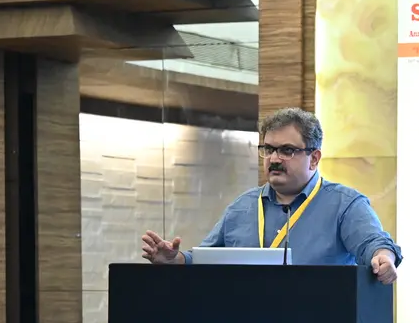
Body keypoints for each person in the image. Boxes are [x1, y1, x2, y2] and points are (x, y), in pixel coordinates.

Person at [141, 108, 402, 283]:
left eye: (287, 150)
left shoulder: (344, 204)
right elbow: (205, 258)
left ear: (314, 158)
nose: (274, 159)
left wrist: (383, 258)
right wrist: (175, 260)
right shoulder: (243, 207)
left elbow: (374, 244)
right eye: (269, 149)